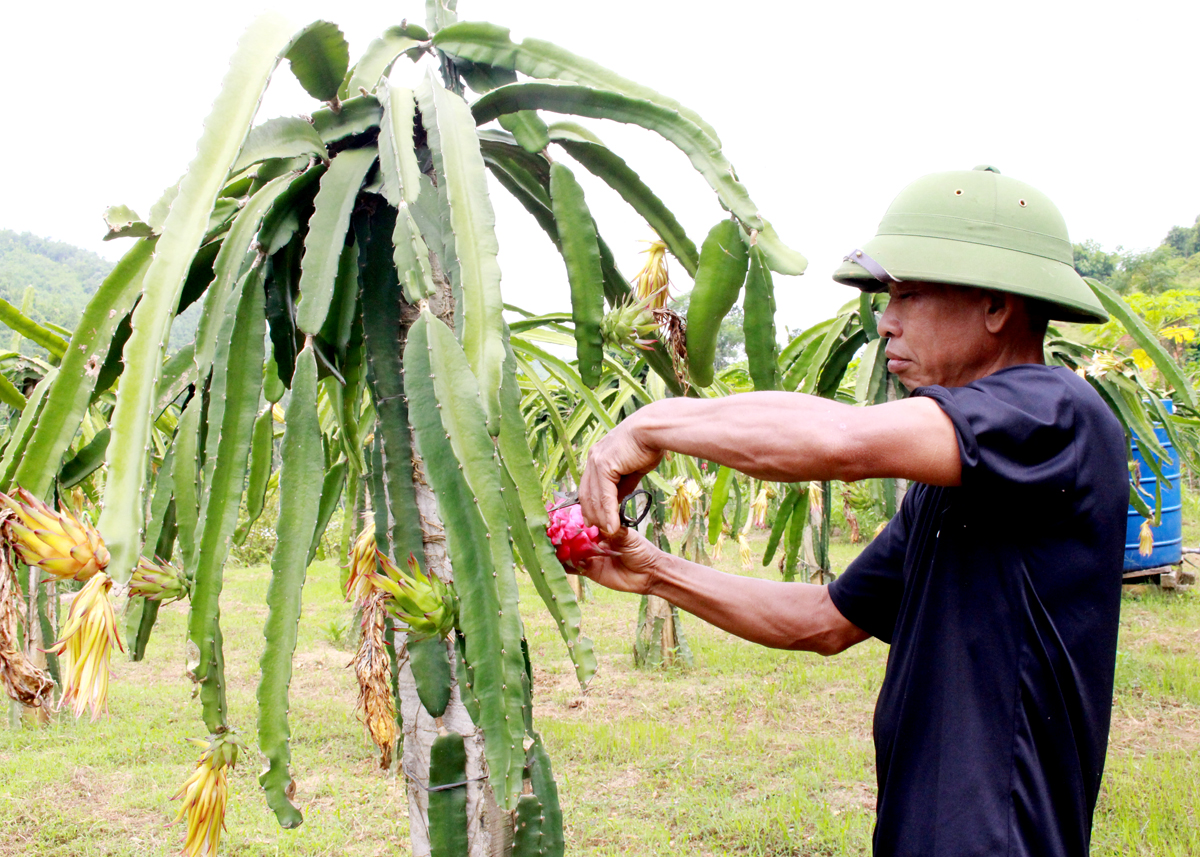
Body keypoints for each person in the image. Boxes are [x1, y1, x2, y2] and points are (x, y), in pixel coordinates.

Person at [575, 166, 1128, 857]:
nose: (885, 320)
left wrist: (654, 425)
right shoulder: (955, 485)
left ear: (994, 305)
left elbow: (839, 439)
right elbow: (823, 621)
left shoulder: (1056, 415)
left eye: (909, 293)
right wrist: (653, 571)